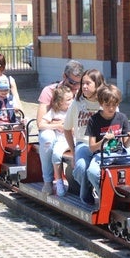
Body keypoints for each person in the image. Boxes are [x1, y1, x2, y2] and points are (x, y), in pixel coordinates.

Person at [85, 84, 130, 210]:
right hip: (101, 154)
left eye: (114, 105)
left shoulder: (122, 117)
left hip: (120, 152)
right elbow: (92, 148)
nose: (111, 108)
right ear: (100, 103)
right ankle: (104, 193)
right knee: (92, 172)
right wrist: (103, 141)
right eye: (107, 105)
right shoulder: (94, 120)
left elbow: (125, 144)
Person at [36, 60, 84, 194]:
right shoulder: (49, 91)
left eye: (79, 83)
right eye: (72, 82)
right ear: (64, 77)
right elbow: (40, 123)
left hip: (75, 132)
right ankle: (48, 181)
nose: (75, 87)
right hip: (55, 131)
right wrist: (59, 125)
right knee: (47, 138)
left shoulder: (82, 92)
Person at [63, 68, 106, 203]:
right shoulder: (77, 103)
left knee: (95, 171)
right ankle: (86, 190)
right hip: (83, 144)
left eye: (88, 83)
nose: (84, 87)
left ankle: (106, 197)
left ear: (98, 85)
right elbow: (67, 129)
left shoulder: (106, 102)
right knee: (81, 167)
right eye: (83, 83)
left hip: (102, 145)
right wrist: (74, 151)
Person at [38, 85, 74, 196]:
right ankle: (59, 181)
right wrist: (58, 125)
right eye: (68, 100)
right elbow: (41, 124)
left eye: (72, 98)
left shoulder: (74, 110)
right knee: (55, 154)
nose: (72, 101)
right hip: (62, 141)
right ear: (59, 102)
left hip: (74, 140)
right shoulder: (54, 112)